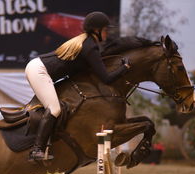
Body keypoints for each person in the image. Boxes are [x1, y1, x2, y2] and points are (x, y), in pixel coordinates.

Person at [26, 11, 131, 161]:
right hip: (39, 71)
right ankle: (36, 150)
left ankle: (47, 143)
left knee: (55, 108)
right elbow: (106, 78)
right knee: (55, 109)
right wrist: (124, 68)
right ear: (97, 30)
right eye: (105, 30)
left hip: (37, 66)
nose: (107, 33)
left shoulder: (86, 42)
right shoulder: (90, 47)